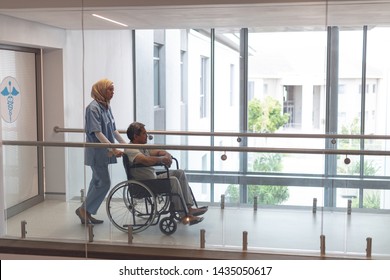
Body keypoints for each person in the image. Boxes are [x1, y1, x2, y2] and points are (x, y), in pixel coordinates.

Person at [125, 121, 207, 225]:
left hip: (153, 179)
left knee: (179, 173)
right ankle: (184, 216)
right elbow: (146, 160)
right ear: (135, 136)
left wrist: (165, 154)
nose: (147, 136)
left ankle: (189, 208)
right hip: (145, 184)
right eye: (144, 134)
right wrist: (162, 159)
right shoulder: (131, 149)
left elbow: (157, 152)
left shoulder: (141, 146)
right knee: (173, 180)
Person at [75, 78, 126, 225]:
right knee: (104, 182)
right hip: (97, 152)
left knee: (96, 181)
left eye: (113, 89)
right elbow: (97, 132)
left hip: (105, 151)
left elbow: (113, 129)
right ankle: (83, 210)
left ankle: (87, 211)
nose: (113, 92)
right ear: (101, 90)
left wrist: (126, 145)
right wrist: (113, 148)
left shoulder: (106, 107)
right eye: (110, 89)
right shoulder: (93, 108)